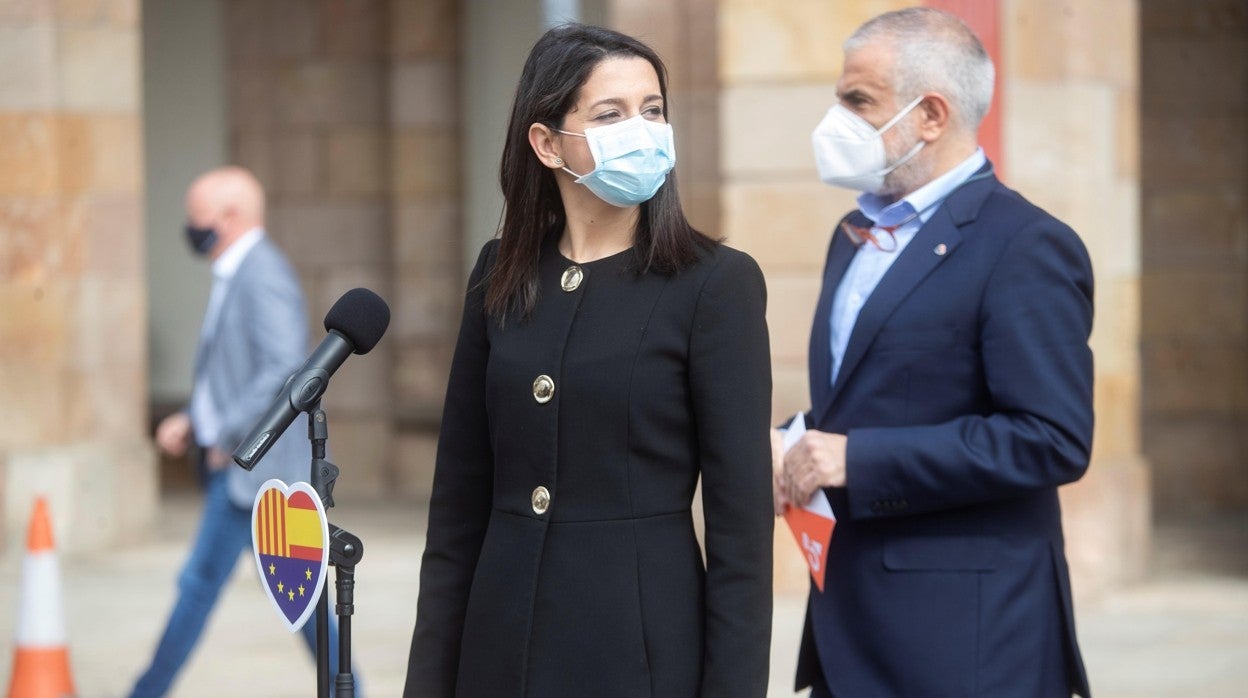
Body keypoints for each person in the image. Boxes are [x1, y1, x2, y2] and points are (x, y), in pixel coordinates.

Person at [404, 23, 774, 698]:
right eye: (611, 114)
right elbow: (456, 510)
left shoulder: (714, 284)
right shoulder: (500, 274)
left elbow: (741, 537)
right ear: (546, 143)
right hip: (498, 650)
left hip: (637, 652)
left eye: (653, 111)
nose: (643, 129)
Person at [774, 8, 1094, 697]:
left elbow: (1052, 438)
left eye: (858, 100)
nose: (837, 119)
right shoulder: (853, 232)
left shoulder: (1024, 245)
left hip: (965, 641)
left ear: (930, 115)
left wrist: (854, 458)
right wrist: (793, 443)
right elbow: (880, 392)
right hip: (850, 626)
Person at [131, 167, 348, 697]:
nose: (189, 225)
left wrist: (227, 435)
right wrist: (193, 418)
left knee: (210, 589)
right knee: (298, 600)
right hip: (243, 471)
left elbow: (281, 369)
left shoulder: (261, 272)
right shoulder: (237, 269)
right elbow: (229, 374)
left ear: (229, 217)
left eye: (196, 215)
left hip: (255, 473)